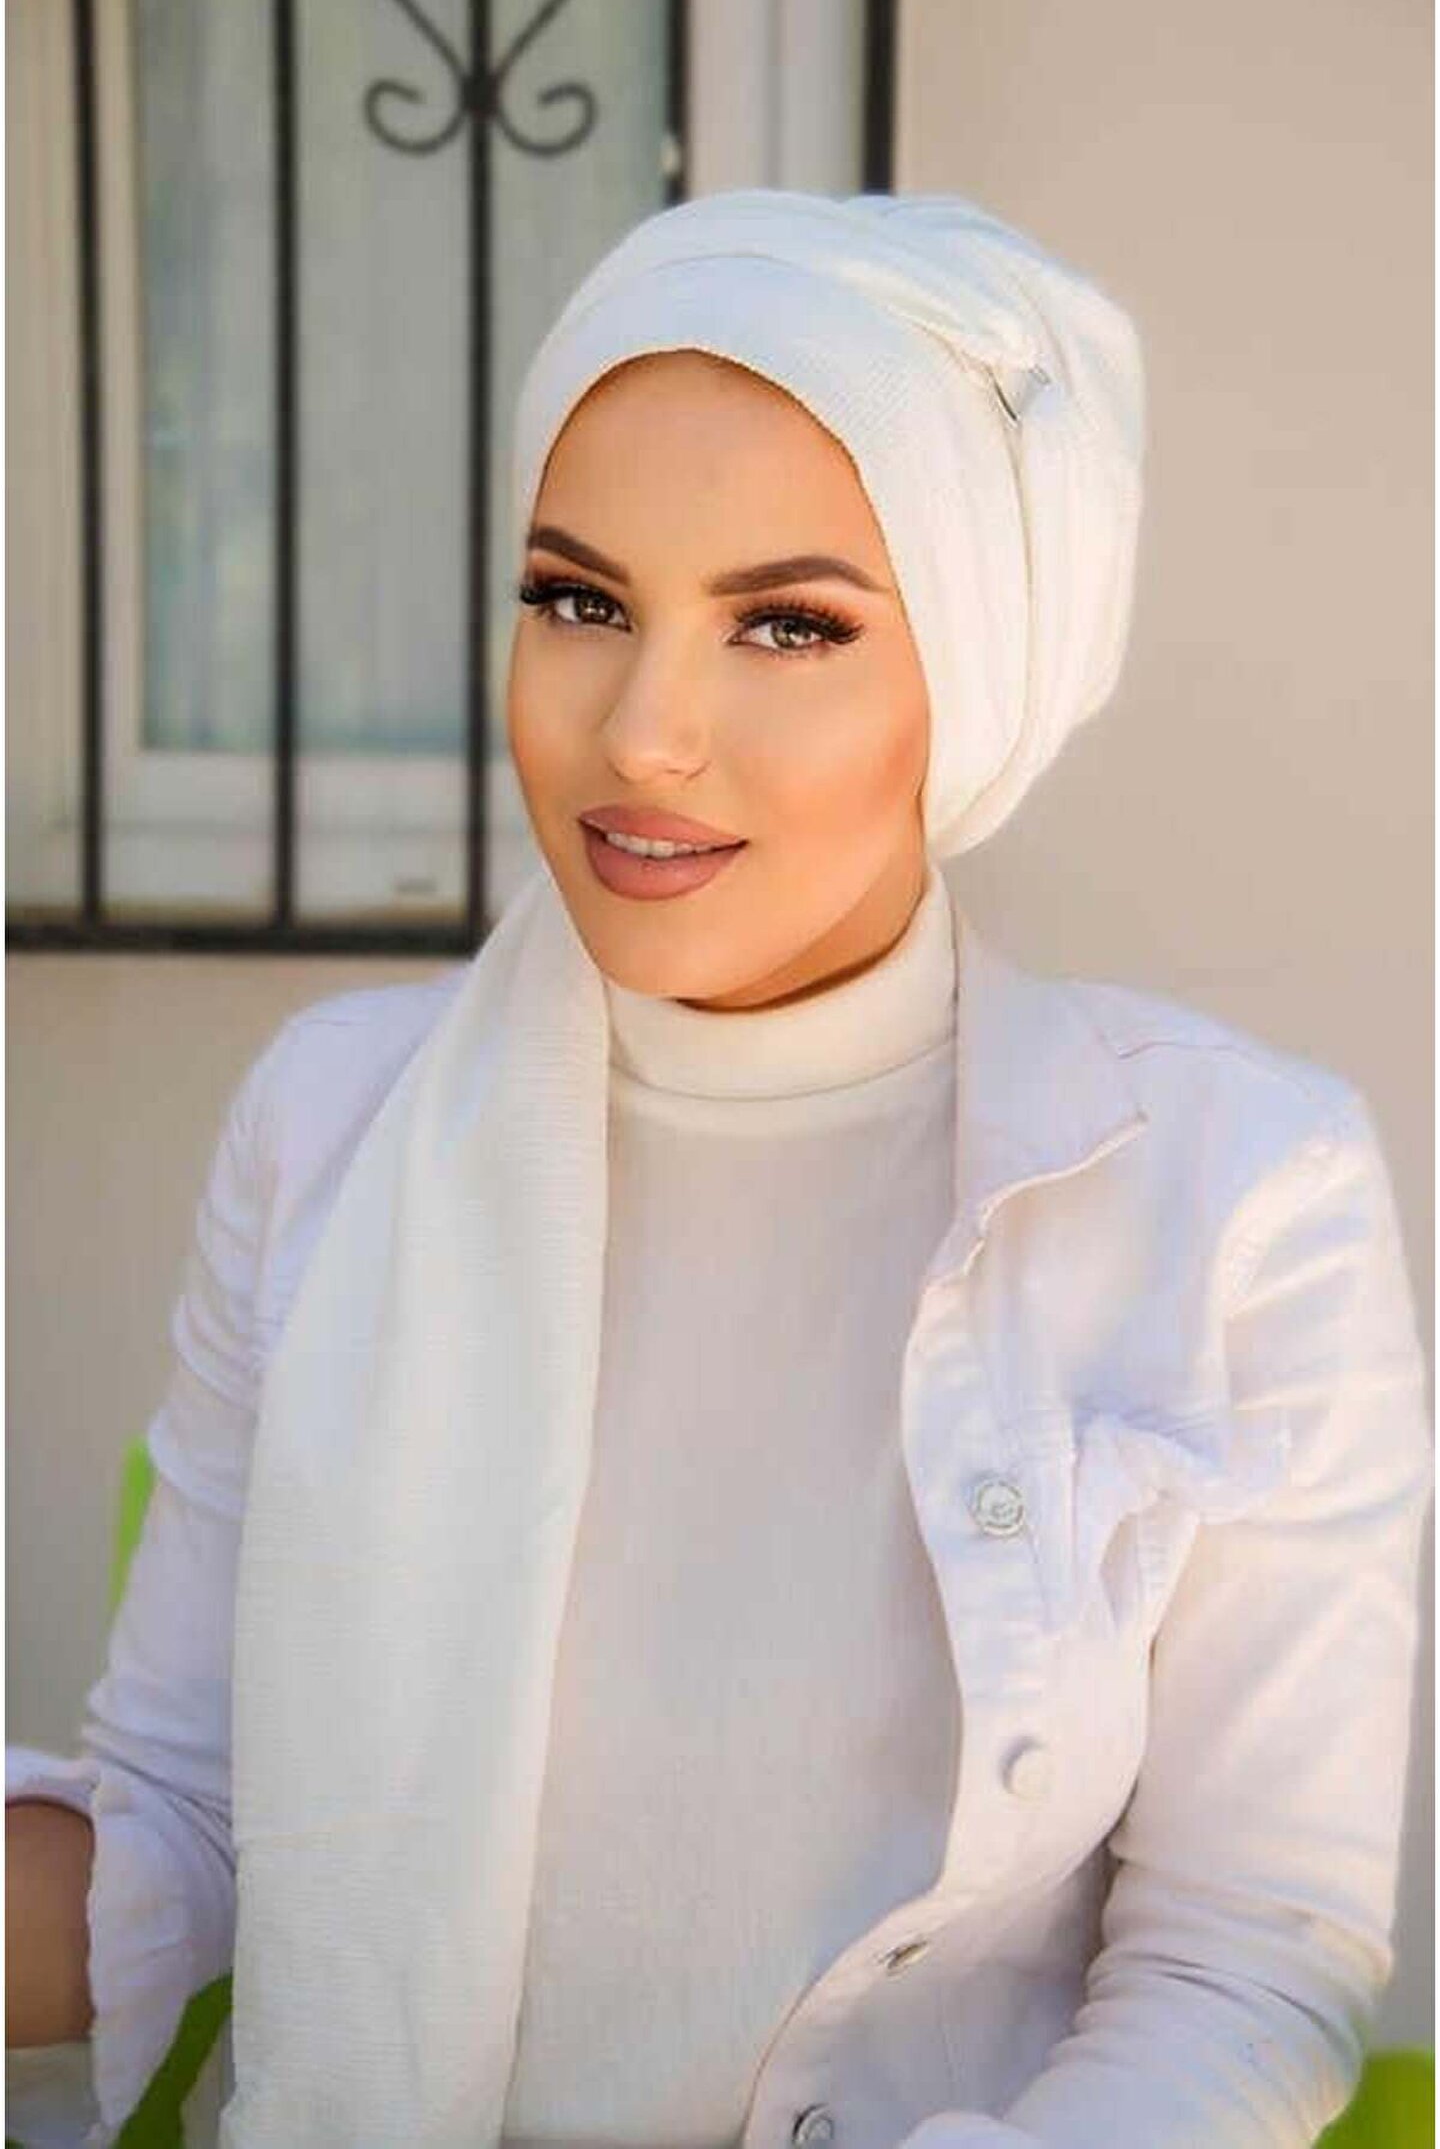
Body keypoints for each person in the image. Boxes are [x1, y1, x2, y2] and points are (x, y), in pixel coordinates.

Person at [6, 188, 1432, 2149]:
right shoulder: (332, 1125)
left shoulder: (1240, 1199)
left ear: (982, 676)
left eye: (788, 625)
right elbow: (189, 1815)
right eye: (578, 601)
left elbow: (1244, 1961)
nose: (642, 735)